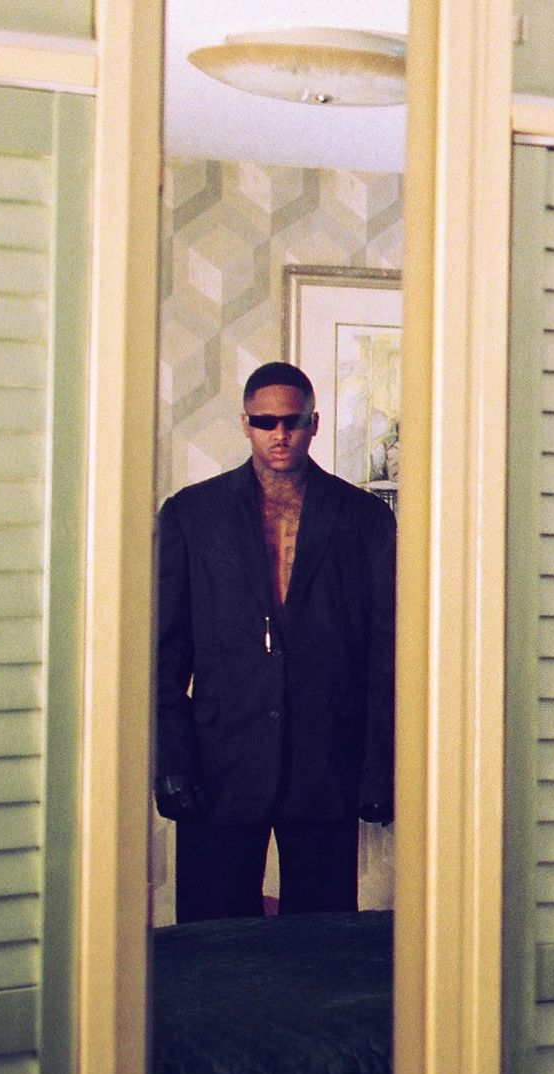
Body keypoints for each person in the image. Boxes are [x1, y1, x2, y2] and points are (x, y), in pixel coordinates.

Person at [154, 361, 396, 920]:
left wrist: (379, 768)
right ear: (246, 424)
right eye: (265, 422)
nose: (279, 434)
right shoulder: (193, 515)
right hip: (219, 759)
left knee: (322, 940)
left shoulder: (364, 519)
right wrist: (172, 760)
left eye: (292, 421)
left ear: (314, 423)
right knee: (212, 937)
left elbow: (385, 656)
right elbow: (163, 654)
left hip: (326, 759)